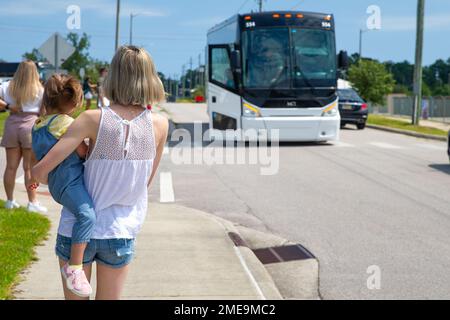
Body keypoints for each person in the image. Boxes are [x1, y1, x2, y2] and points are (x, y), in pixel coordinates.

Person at [31, 45, 168, 300]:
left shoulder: (92, 119)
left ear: (113, 77)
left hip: (76, 232)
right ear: (151, 78)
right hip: (121, 230)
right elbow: (144, 183)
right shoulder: (160, 125)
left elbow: (40, 171)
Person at [30, 74, 95, 297]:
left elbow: (37, 157)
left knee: (81, 214)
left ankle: (75, 265)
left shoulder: (38, 125)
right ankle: (75, 267)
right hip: (71, 182)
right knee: (87, 215)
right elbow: (82, 152)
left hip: (57, 185)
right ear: (75, 103)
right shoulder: (66, 124)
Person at [0, 60, 47, 213]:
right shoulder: (40, 90)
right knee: (29, 168)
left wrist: (7, 106)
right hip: (30, 124)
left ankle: (9, 200)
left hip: (12, 123)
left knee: (11, 166)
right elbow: (43, 112)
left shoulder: (7, 86)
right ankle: (32, 201)